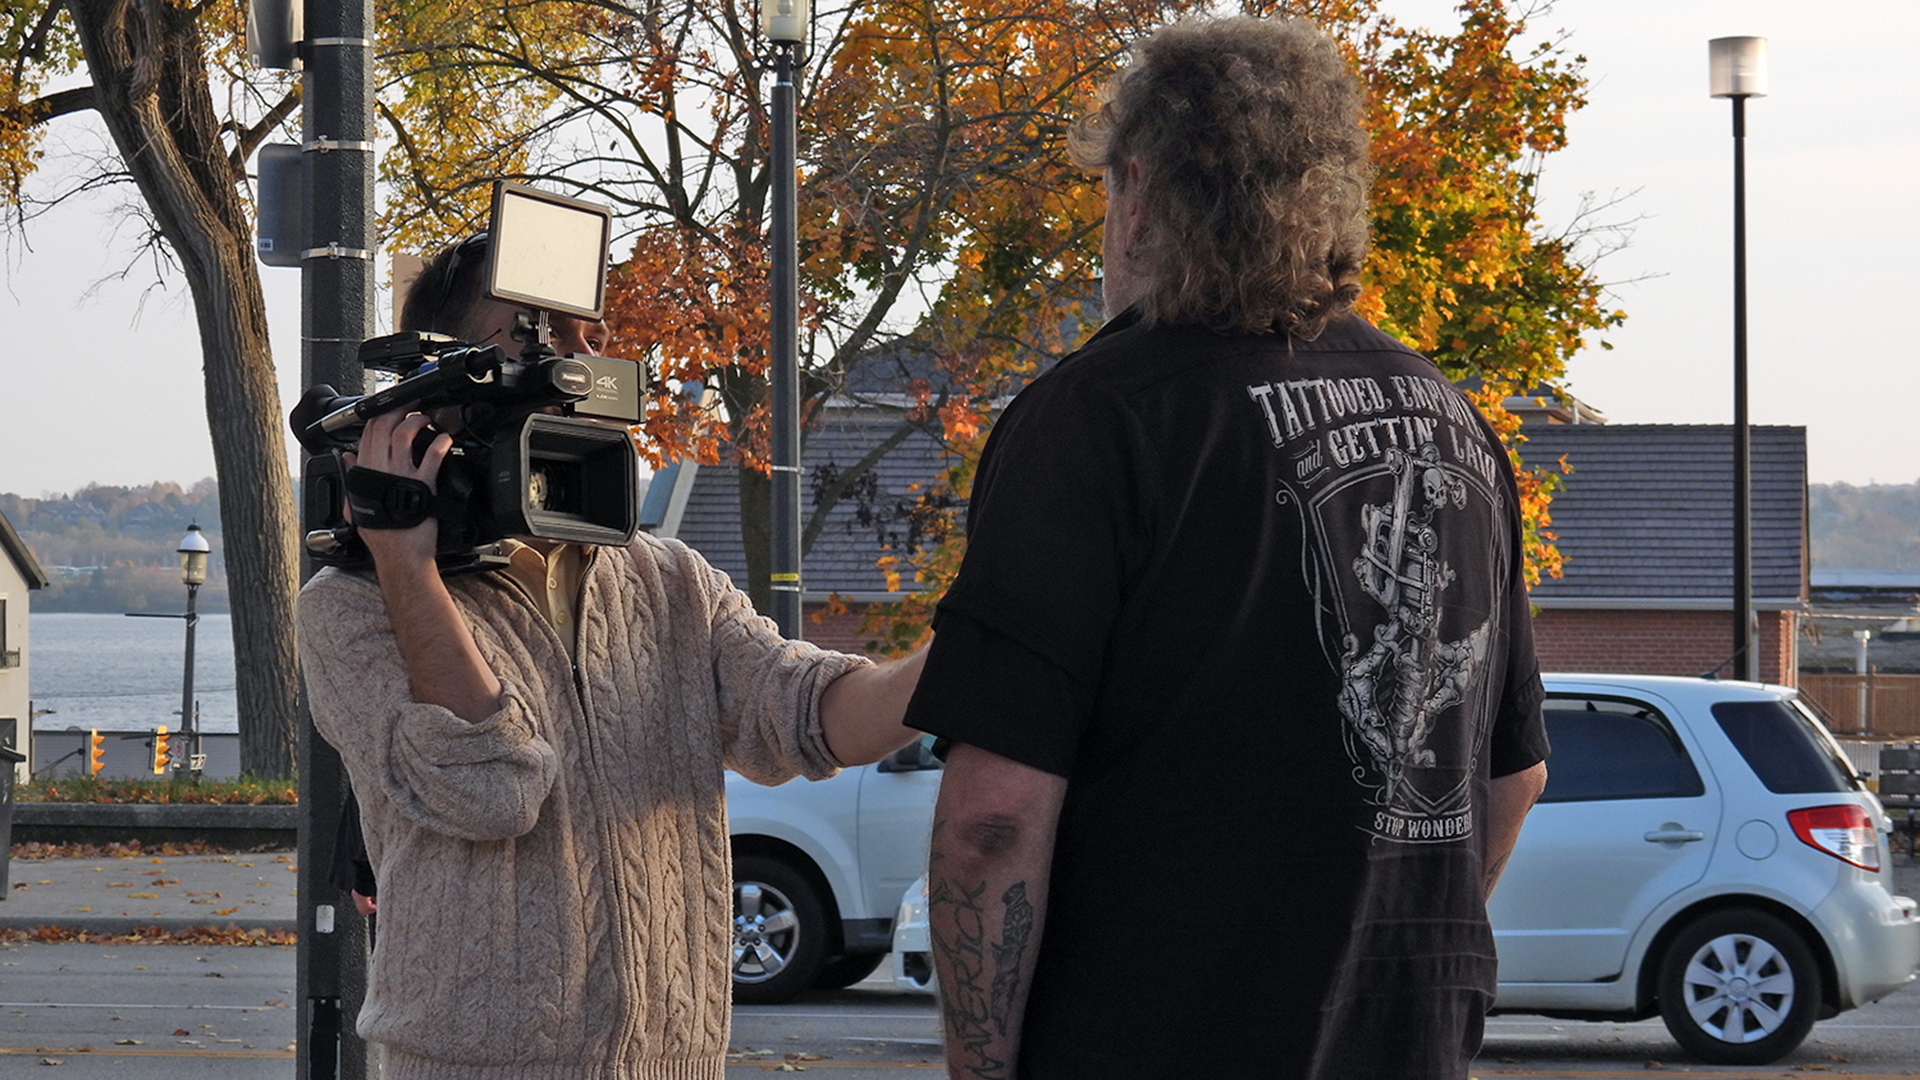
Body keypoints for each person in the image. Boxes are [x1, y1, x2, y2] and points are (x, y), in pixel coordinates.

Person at [903, 17, 1550, 1079]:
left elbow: (992, 818)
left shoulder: (1098, 419)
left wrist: (983, 1070)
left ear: (1143, 192)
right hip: (1407, 1040)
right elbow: (1511, 776)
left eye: (1107, 193)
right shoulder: (1451, 419)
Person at [298, 231, 927, 1080]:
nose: (576, 361)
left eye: (586, 337)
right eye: (534, 334)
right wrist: (406, 563)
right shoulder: (352, 606)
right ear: (437, 378)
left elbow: (810, 718)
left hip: (673, 1061)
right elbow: (489, 788)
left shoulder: (668, 581)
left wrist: (965, 643)